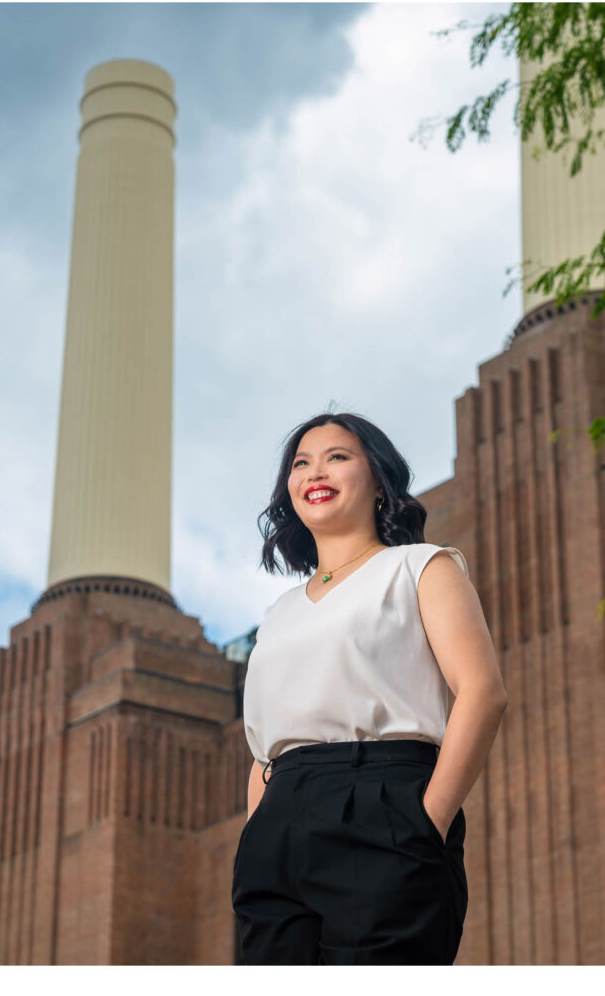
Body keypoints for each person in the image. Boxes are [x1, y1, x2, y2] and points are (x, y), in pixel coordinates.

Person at [231, 410, 507, 965]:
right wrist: (255, 839)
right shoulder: (278, 613)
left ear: (378, 480)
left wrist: (428, 820)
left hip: (387, 804)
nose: (316, 471)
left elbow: (482, 691)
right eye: (301, 463)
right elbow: (263, 751)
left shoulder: (421, 567)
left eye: (337, 457)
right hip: (279, 824)